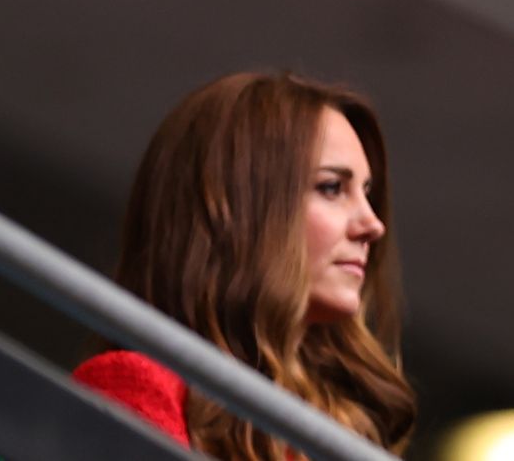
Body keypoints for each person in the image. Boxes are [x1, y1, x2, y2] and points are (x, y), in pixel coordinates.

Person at [74, 70, 415, 458]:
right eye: (332, 188)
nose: (373, 224)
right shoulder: (137, 387)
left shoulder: (337, 428)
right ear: (240, 214)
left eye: (366, 193)